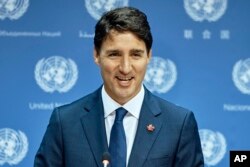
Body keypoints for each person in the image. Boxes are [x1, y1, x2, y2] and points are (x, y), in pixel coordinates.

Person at [34, 7, 204, 167]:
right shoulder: (65, 122)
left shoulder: (179, 124)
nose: (125, 68)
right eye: (114, 54)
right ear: (96, 55)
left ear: (149, 56)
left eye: (135, 55)